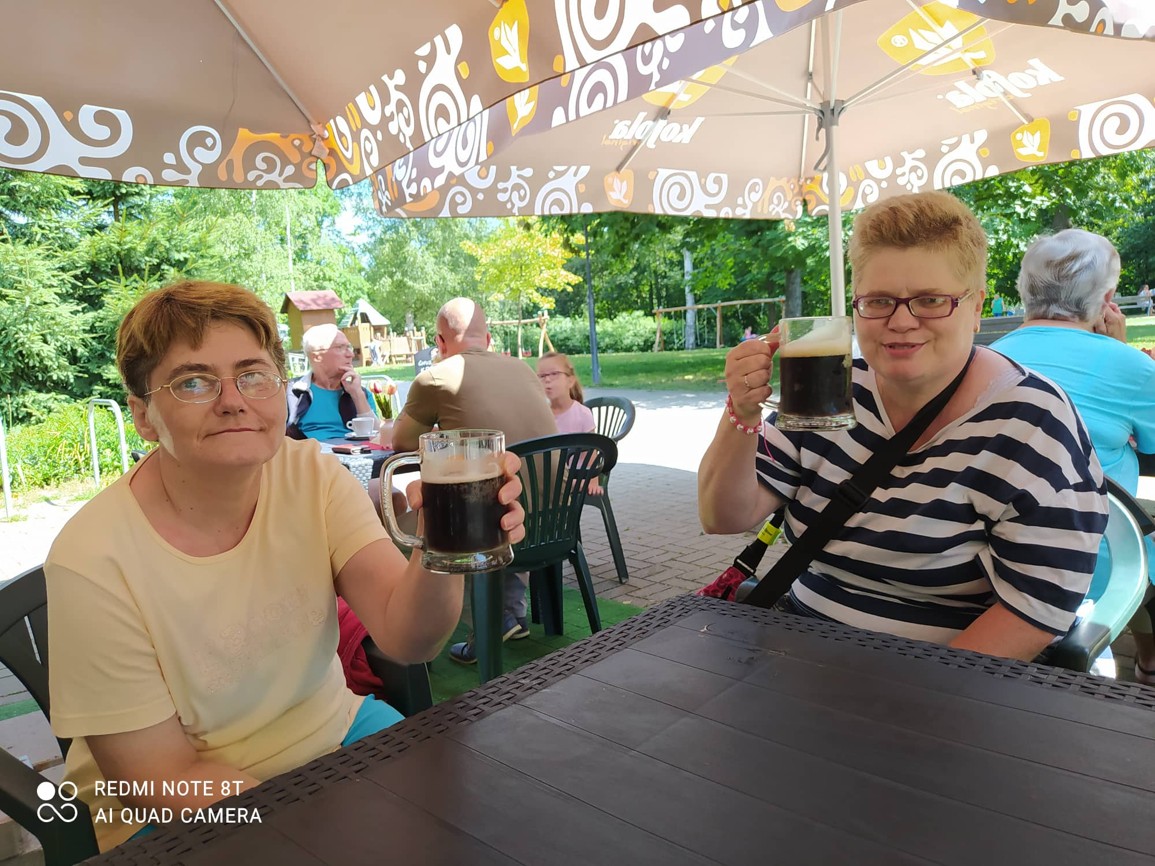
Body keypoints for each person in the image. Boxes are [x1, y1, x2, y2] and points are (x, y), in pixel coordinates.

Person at [43, 281, 526, 851]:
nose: (233, 400)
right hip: (173, 811)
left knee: (474, 827)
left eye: (253, 374)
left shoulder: (312, 477)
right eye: (194, 381)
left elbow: (410, 637)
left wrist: (440, 542)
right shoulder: (92, 558)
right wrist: (307, 828)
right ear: (144, 416)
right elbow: (157, 780)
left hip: (336, 734)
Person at [699, 191, 1107, 661]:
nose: (901, 321)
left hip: (944, 674)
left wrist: (915, 692)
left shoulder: (1032, 420)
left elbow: (1036, 607)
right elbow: (722, 518)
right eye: (879, 301)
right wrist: (742, 411)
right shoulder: (828, 389)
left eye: (931, 300)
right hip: (798, 648)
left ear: (976, 307)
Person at [992, 229, 1155, 682]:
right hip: (1098, 565)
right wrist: (1121, 352)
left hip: (995, 560)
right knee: (1142, 546)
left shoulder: (984, 359)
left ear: (1024, 290)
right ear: (1107, 299)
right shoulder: (1133, 368)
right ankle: (1149, 664)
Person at [392, 297, 558, 664]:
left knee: (415, 525)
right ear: (489, 338)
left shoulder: (437, 376)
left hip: (497, 524)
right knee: (492, 498)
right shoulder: (523, 369)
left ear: (439, 341)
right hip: (556, 519)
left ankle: (476, 626)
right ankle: (510, 612)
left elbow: (402, 442)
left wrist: (440, 433)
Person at [286, 323, 378, 441]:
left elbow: (377, 437)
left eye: (349, 347)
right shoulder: (293, 392)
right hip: (311, 451)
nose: (350, 354)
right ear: (317, 356)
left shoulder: (360, 392)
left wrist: (357, 394)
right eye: (340, 348)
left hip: (355, 451)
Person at [537, 351, 602, 495]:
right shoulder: (540, 414)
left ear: (570, 381)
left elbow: (591, 451)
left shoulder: (582, 414)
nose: (547, 380)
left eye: (554, 374)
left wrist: (593, 480)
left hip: (577, 475)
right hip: (549, 476)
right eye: (541, 376)